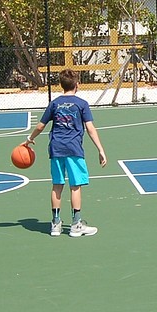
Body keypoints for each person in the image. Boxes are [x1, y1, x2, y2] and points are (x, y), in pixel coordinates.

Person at [25, 68, 108, 236]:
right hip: (74, 149)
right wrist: (100, 150)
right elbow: (90, 128)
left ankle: (55, 224)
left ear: (60, 85)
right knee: (75, 187)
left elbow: (41, 125)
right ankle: (76, 225)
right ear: (77, 85)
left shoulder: (54, 103)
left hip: (56, 148)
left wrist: (30, 138)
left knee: (57, 185)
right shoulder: (82, 104)